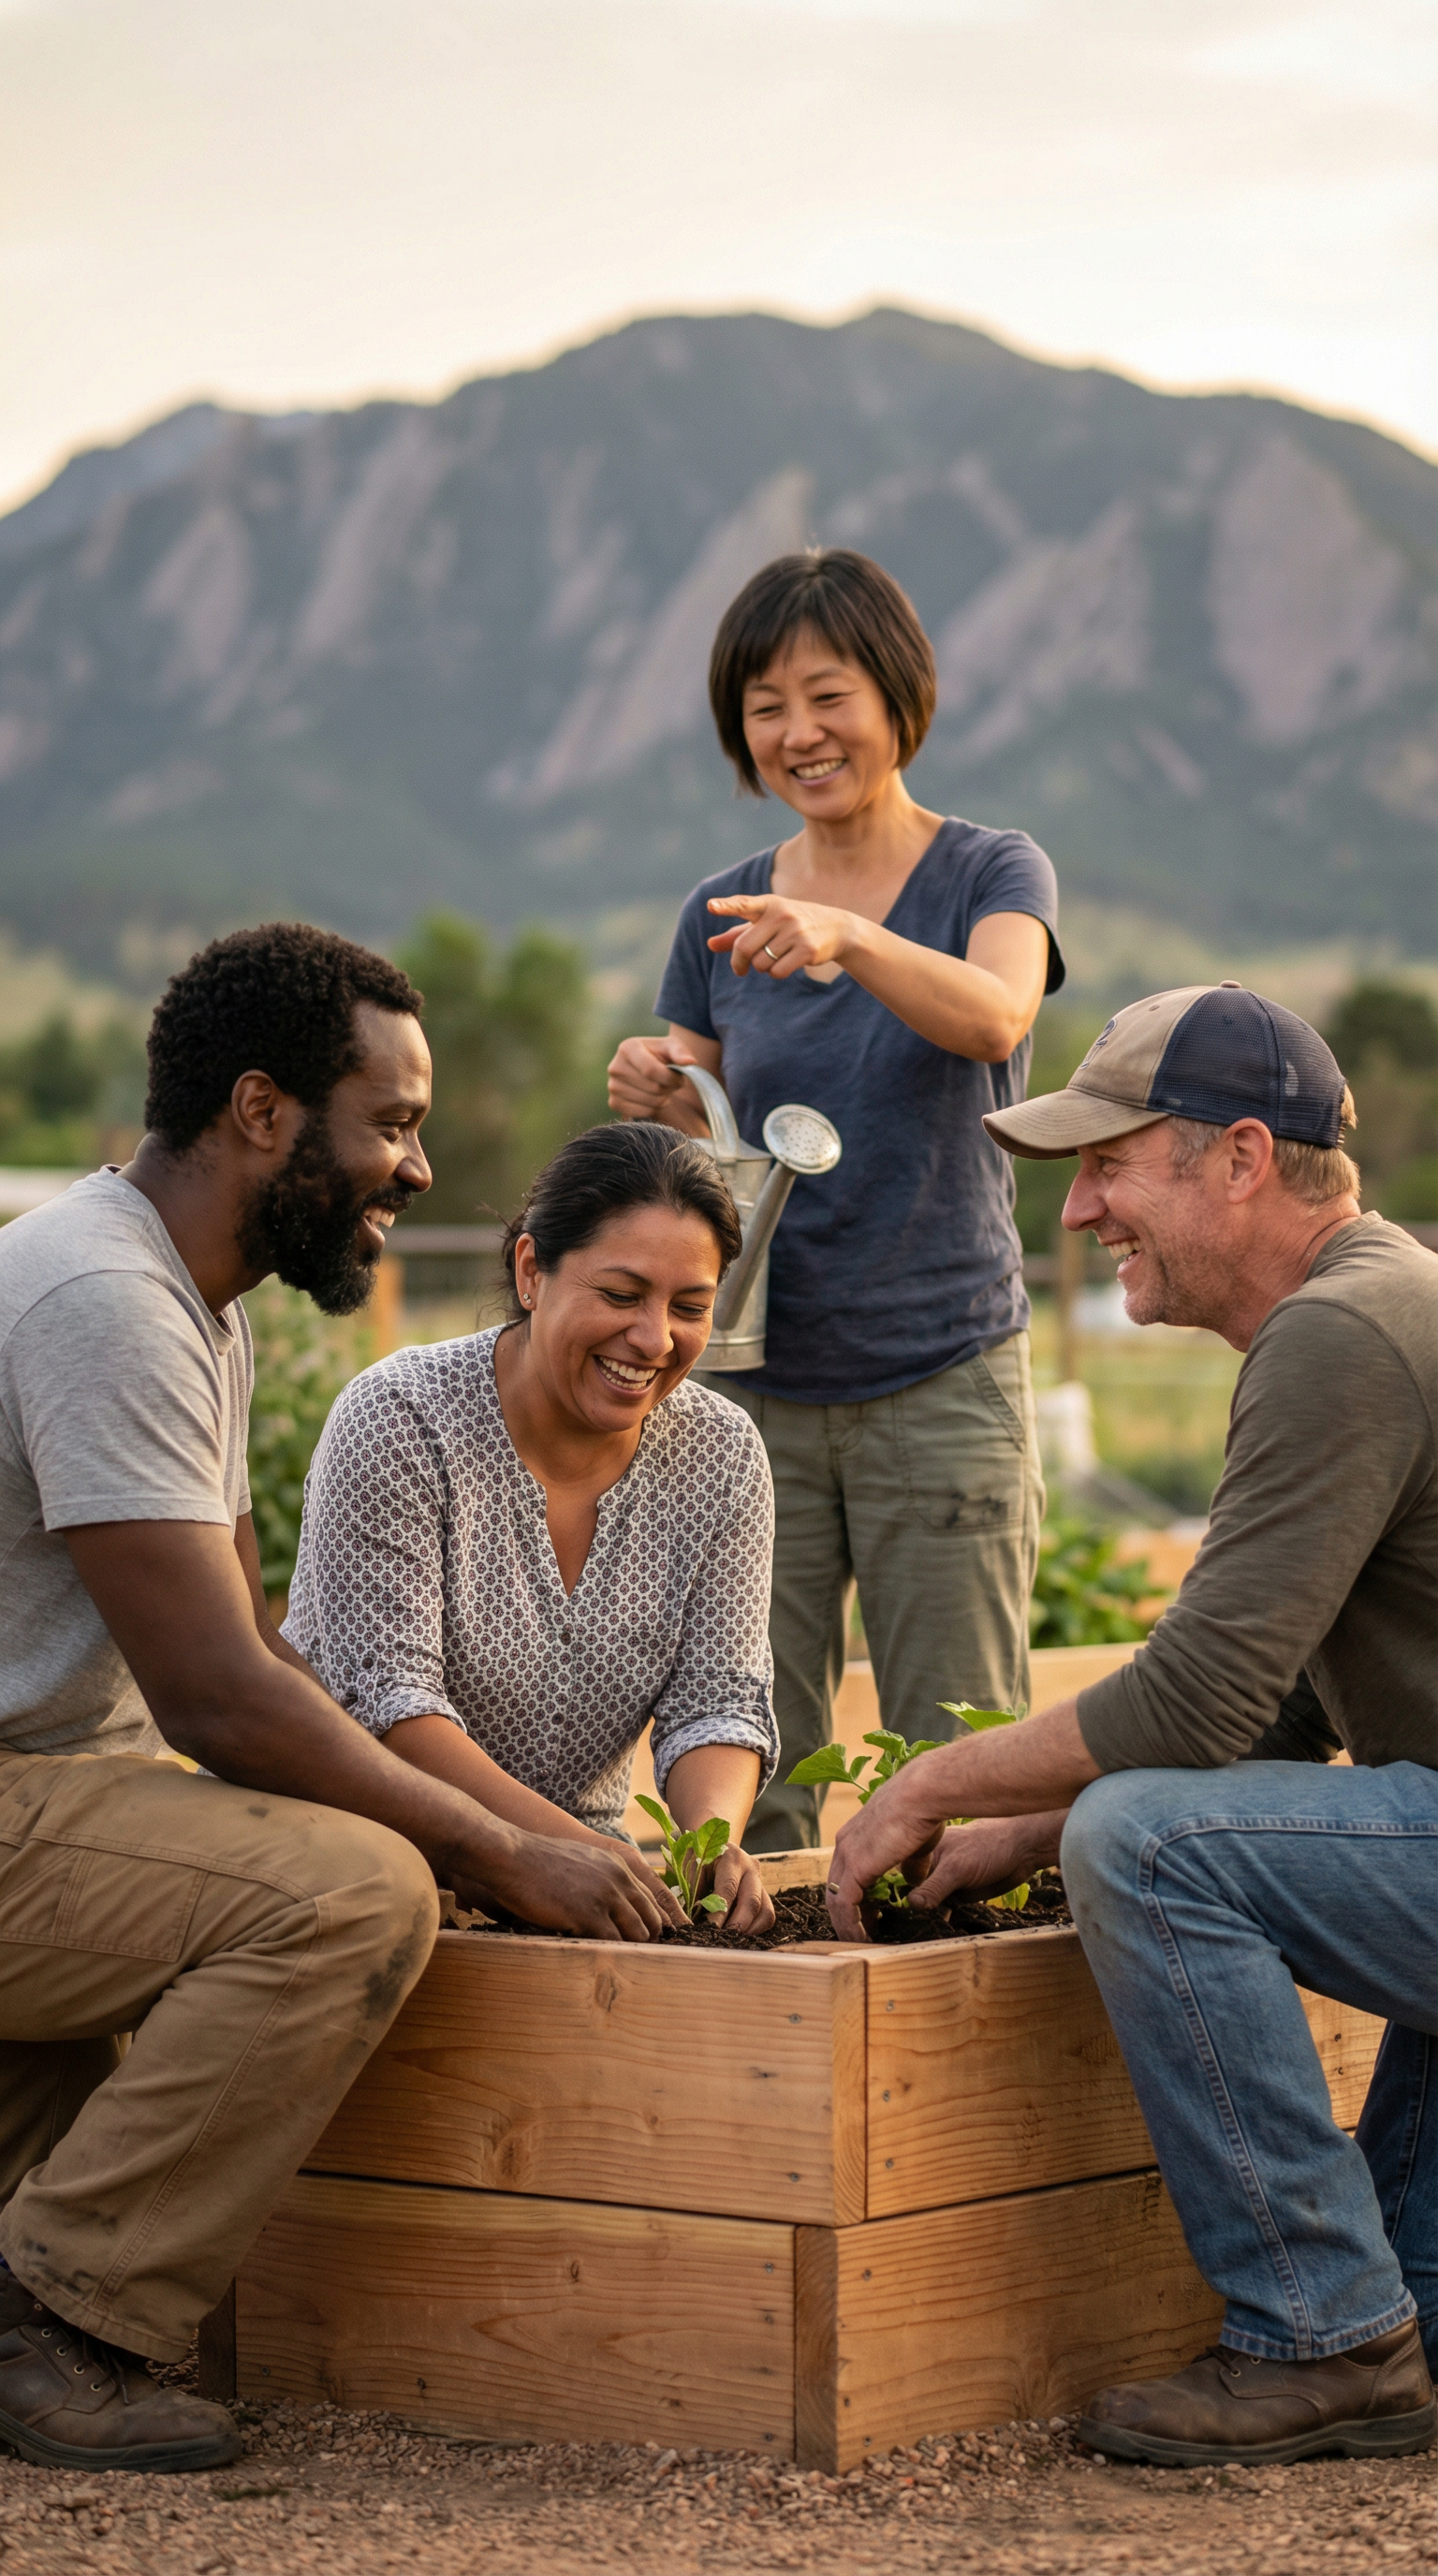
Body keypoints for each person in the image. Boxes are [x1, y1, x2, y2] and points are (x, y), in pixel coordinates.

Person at [0, 925, 685, 2481]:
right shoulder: (105, 1299)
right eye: (388, 1122)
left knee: (316, 1853)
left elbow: (254, 1638)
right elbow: (219, 1701)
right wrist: (478, 1853)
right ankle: (65, 2332)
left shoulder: (184, 1296)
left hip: (46, 1788)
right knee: (348, 1896)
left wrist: (517, 1822)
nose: (418, 1169)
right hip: (26, 1794)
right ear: (262, 1111)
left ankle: (34, 2285)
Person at [824, 982, 1437, 2467]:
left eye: (1111, 1163)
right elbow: (1280, 1719)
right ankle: (1399, 2312)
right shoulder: (1379, 1300)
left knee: (1149, 1846)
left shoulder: (1341, 1337)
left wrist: (929, 1792)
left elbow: (1195, 1703)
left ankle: (1323, 2330)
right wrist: (1010, 1833)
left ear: (1239, 1158)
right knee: (1150, 1823)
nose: (1082, 1209)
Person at [608, 548, 1063, 1851]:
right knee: (752, 1764)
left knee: (965, 1761)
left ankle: (956, 2038)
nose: (798, 733)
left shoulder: (990, 872)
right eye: (764, 706)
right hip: (754, 1387)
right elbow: (698, 1126)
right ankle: (771, 2039)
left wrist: (850, 936)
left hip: (944, 1379)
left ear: (898, 696)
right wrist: (649, 1079)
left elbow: (998, 1016)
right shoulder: (720, 909)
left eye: (827, 694)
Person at [286, 1122, 779, 1932]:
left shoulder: (720, 1455)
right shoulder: (403, 1420)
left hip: (582, 1881)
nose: (654, 1338)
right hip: (364, 1872)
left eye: (689, 1307)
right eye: (621, 1296)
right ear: (530, 1272)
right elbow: (389, 1708)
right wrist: (558, 1850)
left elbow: (716, 1701)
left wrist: (710, 1849)